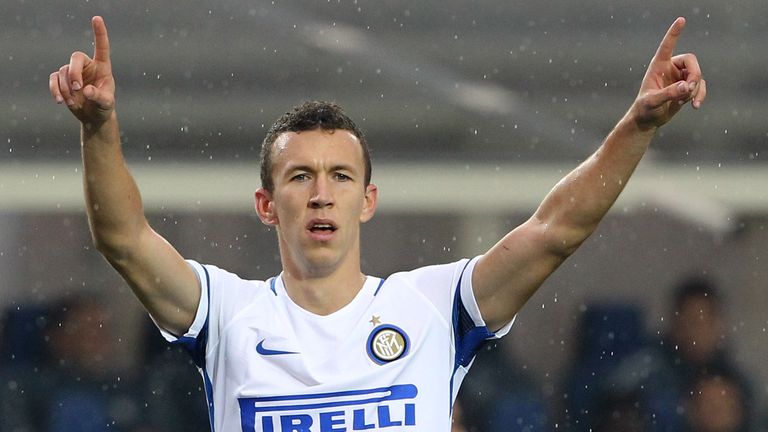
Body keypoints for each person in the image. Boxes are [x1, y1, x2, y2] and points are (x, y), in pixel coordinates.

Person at [48, 15, 706, 431]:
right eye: (300, 177)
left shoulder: (431, 306)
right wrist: (99, 127)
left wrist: (636, 125)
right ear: (267, 205)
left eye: (340, 177)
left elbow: (554, 230)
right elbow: (125, 240)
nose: (322, 196)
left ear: (368, 199)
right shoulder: (228, 315)